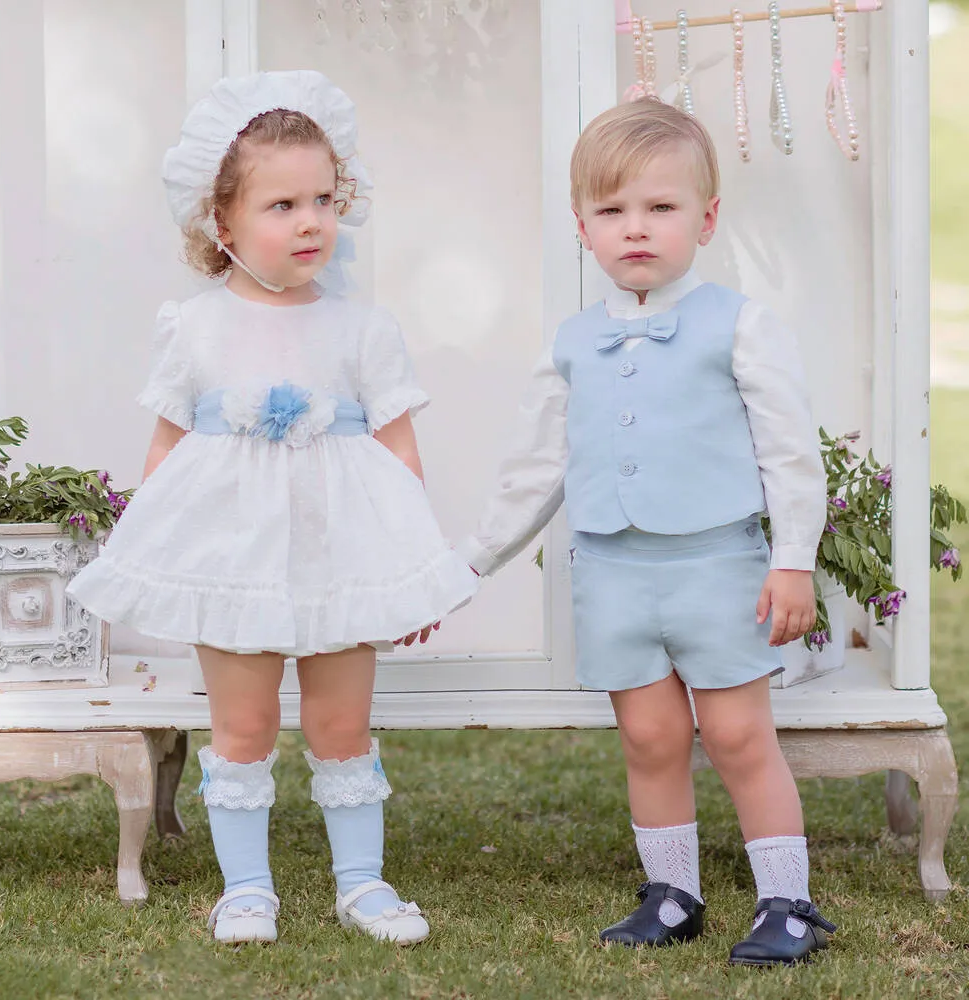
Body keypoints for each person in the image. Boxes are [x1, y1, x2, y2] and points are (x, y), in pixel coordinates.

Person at [68, 70, 477, 946]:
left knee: (341, 725)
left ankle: (362, 884)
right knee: (243, 727)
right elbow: (166, 454)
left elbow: (399, 455)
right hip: (232, 563)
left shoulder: (363, 330)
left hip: (340, 563)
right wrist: (166, 567)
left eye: (325, 199)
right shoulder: (194, 327)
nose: (310, 222)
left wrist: (408, 576)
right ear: (222, 224)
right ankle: (247, 889)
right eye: (283, 204)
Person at [458, 98, 835, 967]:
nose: (636, 229)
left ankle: (789, 903)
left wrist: (793, 564)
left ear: (705, 220)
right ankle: (673, 895)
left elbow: (789, 453)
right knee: (650, 737)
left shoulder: (740, 325)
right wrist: (474, 560)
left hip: (716, 567)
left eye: (660, 209)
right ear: (582, 226)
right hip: (615, 574)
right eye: (612, 211)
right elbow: (536, 466)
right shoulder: (572, 343)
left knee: (740, 736)